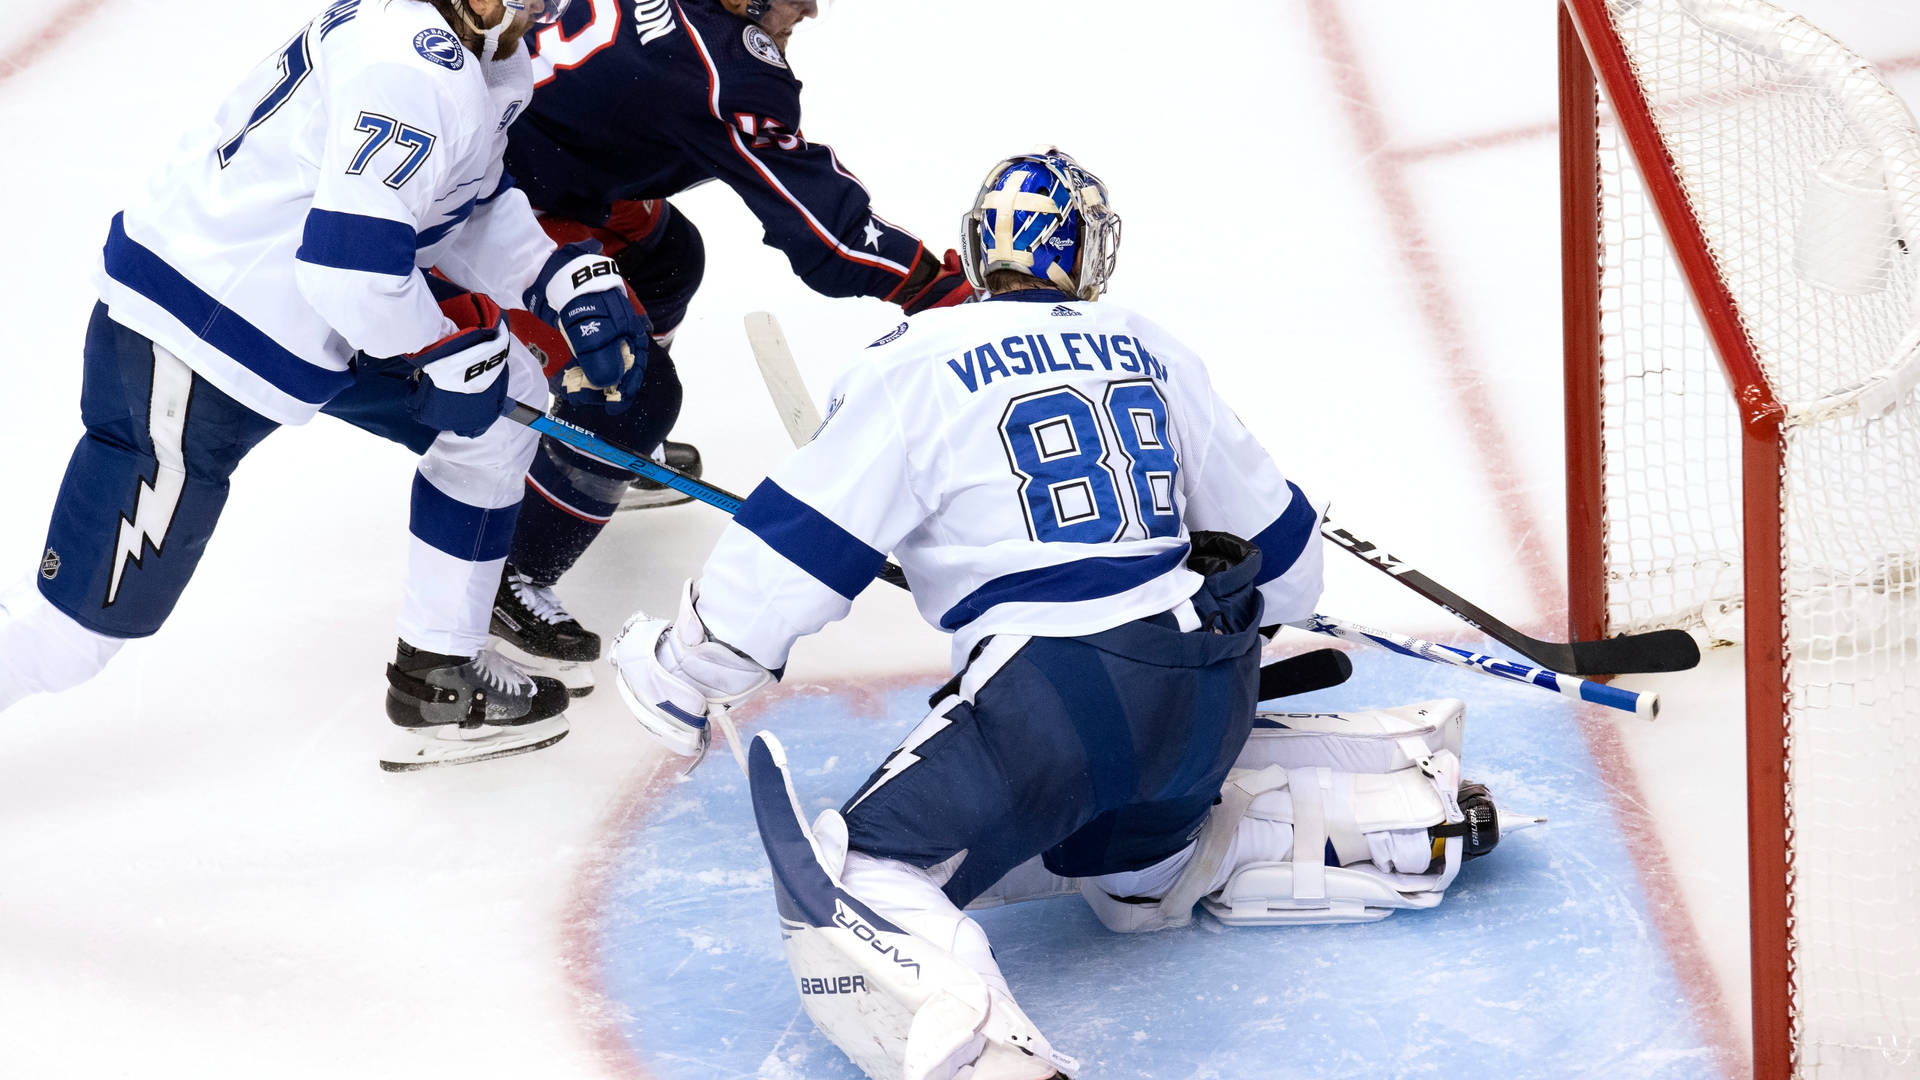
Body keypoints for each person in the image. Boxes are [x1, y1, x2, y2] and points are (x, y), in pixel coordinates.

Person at [609, 148, 1402, 1079]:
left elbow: (797, 549)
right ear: (1081, 252)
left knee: (856, 872)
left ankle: (986, 1045)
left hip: (1056, 702)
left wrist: (684, 673)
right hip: (1205, 704)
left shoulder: (912, 362)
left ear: (982, 250)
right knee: (1122, 868)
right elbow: (1287, 557)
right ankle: (1204, 854)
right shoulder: (1145, 339)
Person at [0, 0, 652, 771]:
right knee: (71, 640)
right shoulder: (412, 65)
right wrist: (438, 348)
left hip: (290, 314)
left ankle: (438, 673)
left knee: (500, 411)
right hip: (196, 342)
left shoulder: (478, 51)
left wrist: (549, 273)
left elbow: (455, 203)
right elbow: (350, 269)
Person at [481, 0, 977, 695]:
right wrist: (946, 288)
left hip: (539, 159)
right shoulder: (722, 63)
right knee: (637, 395)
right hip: (490, 203)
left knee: (669, 257)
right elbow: (827, 240)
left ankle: (593, 445)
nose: (809, 7)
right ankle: (510, 574)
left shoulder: (694, 36)